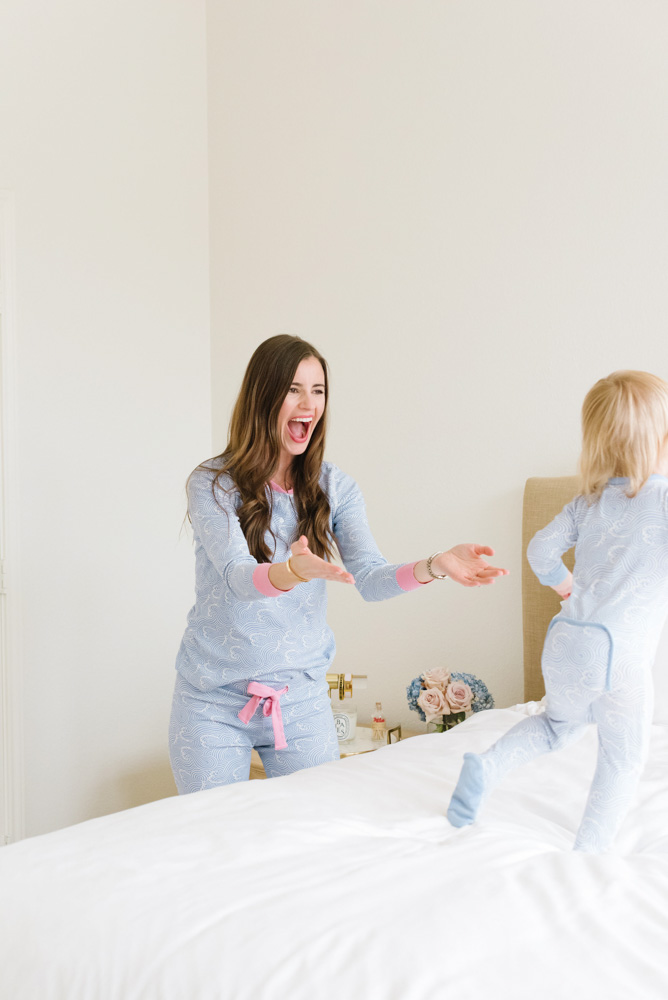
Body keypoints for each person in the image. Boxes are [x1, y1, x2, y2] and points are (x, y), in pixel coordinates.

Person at [169, 334, 508, 793]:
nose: (308, 403)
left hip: (301, 700)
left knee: (313, 833)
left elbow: (369, 579)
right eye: (293, 389)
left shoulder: (336, 488)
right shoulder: (213, 483)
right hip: (212, 698)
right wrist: (291, 572)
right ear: (262, 396)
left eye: (318, 390)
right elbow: (237, 578)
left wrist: (436, 565)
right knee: (213, 839)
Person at [447, 369, 668, 853]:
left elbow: (539, 552)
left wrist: (568, 590)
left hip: (566, 638)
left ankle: (486, 766)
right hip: (619, 655)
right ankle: (588, 853)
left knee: (554, 725)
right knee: (623, 758)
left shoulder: (586, 502)